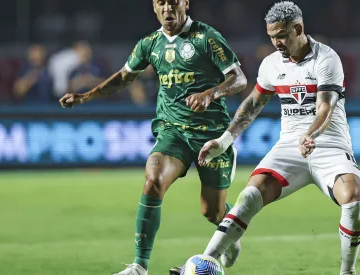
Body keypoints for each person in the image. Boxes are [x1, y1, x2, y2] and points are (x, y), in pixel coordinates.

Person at [58, 0, 247, 274]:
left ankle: (228, 231)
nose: (168, 8)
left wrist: (210, 95)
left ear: (185, 3)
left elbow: (239, 79)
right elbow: (124, 77)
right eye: (161, 3)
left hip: (212, 136)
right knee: (153, 181)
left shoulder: (207, 37)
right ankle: (139, 266)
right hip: (172, 132)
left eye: (173, 2)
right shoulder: (149, 43)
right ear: (154, 8)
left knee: (212, 212)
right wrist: (86, 96)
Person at [181, 2, 360, 275]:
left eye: (281, 35)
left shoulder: (326, 59)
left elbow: (325, 106)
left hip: (328, 144)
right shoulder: (271, 64)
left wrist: (311, 135)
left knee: (353, 197)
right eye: (271, 36)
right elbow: (253, 104)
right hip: (290, 147)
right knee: (249, 196)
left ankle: (347, 272)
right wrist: (224, 141)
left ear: (298, 28)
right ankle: (204, 262)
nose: (276, 42)